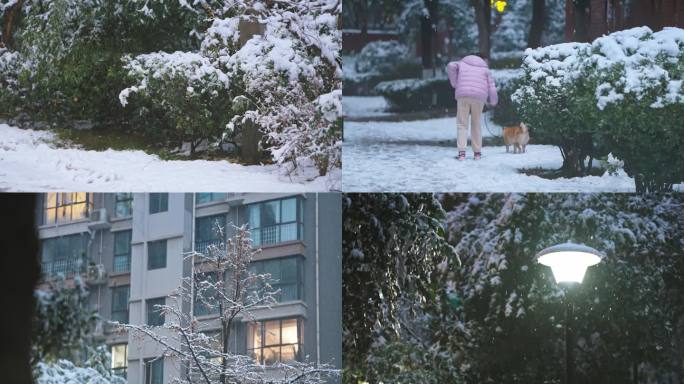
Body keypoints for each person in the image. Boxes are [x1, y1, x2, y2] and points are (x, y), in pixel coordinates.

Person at [447, 54, 498, 161]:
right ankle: (477, 153)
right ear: (483, 60)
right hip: (479, 98)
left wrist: (455, 83)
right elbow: (492, 88)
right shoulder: (485, 70)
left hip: (463, 95)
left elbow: (451, 65)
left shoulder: (462, 63)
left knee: (462, 124)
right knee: (476, 124)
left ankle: (461, 154)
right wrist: (493, 102)